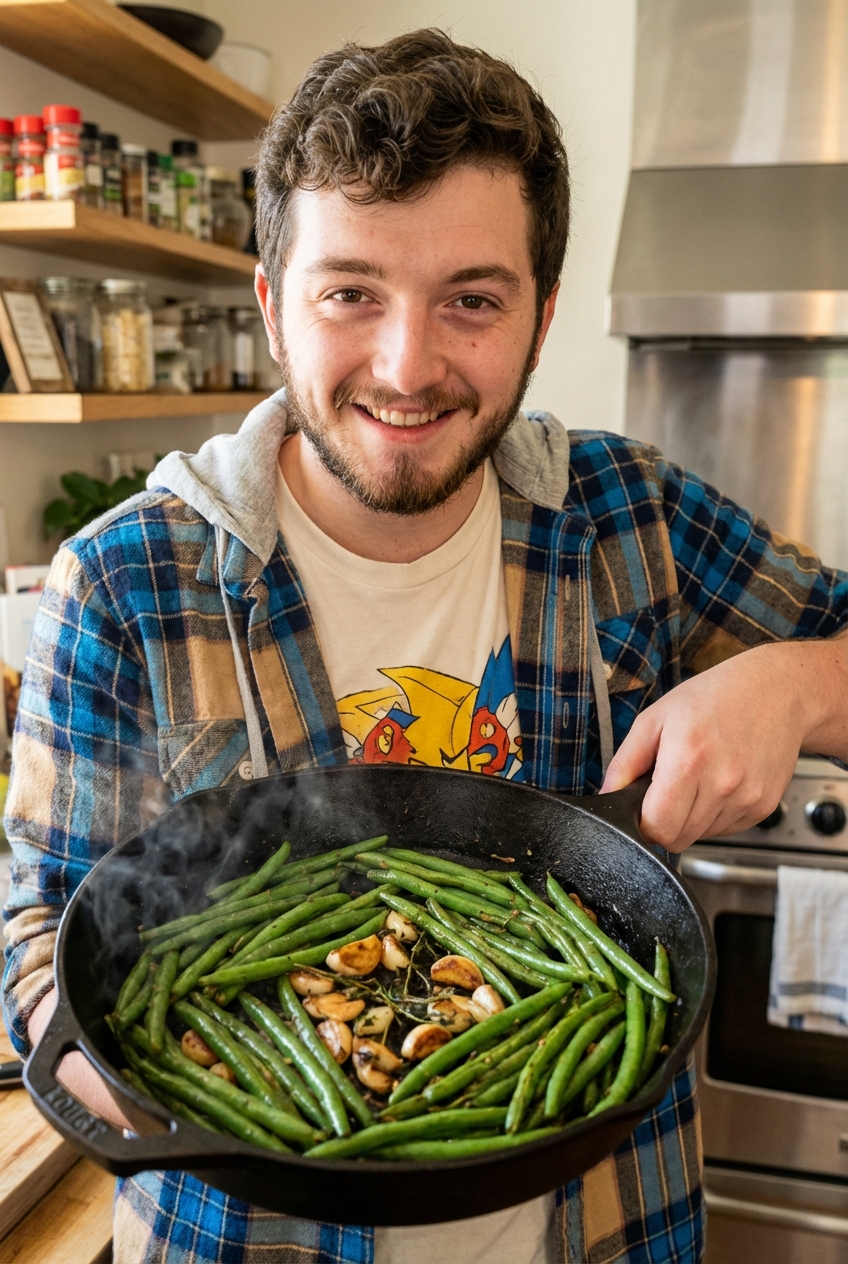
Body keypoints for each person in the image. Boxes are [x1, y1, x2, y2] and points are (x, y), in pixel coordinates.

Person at [3, 28, 846, 1264]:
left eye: (471, 299)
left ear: (541, 317)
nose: (408, 367)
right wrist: (137, 1066)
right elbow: (38, 928)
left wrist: (800, 678)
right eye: (350, 291)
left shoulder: (633, 521)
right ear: (273, 311)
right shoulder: (126, 580)